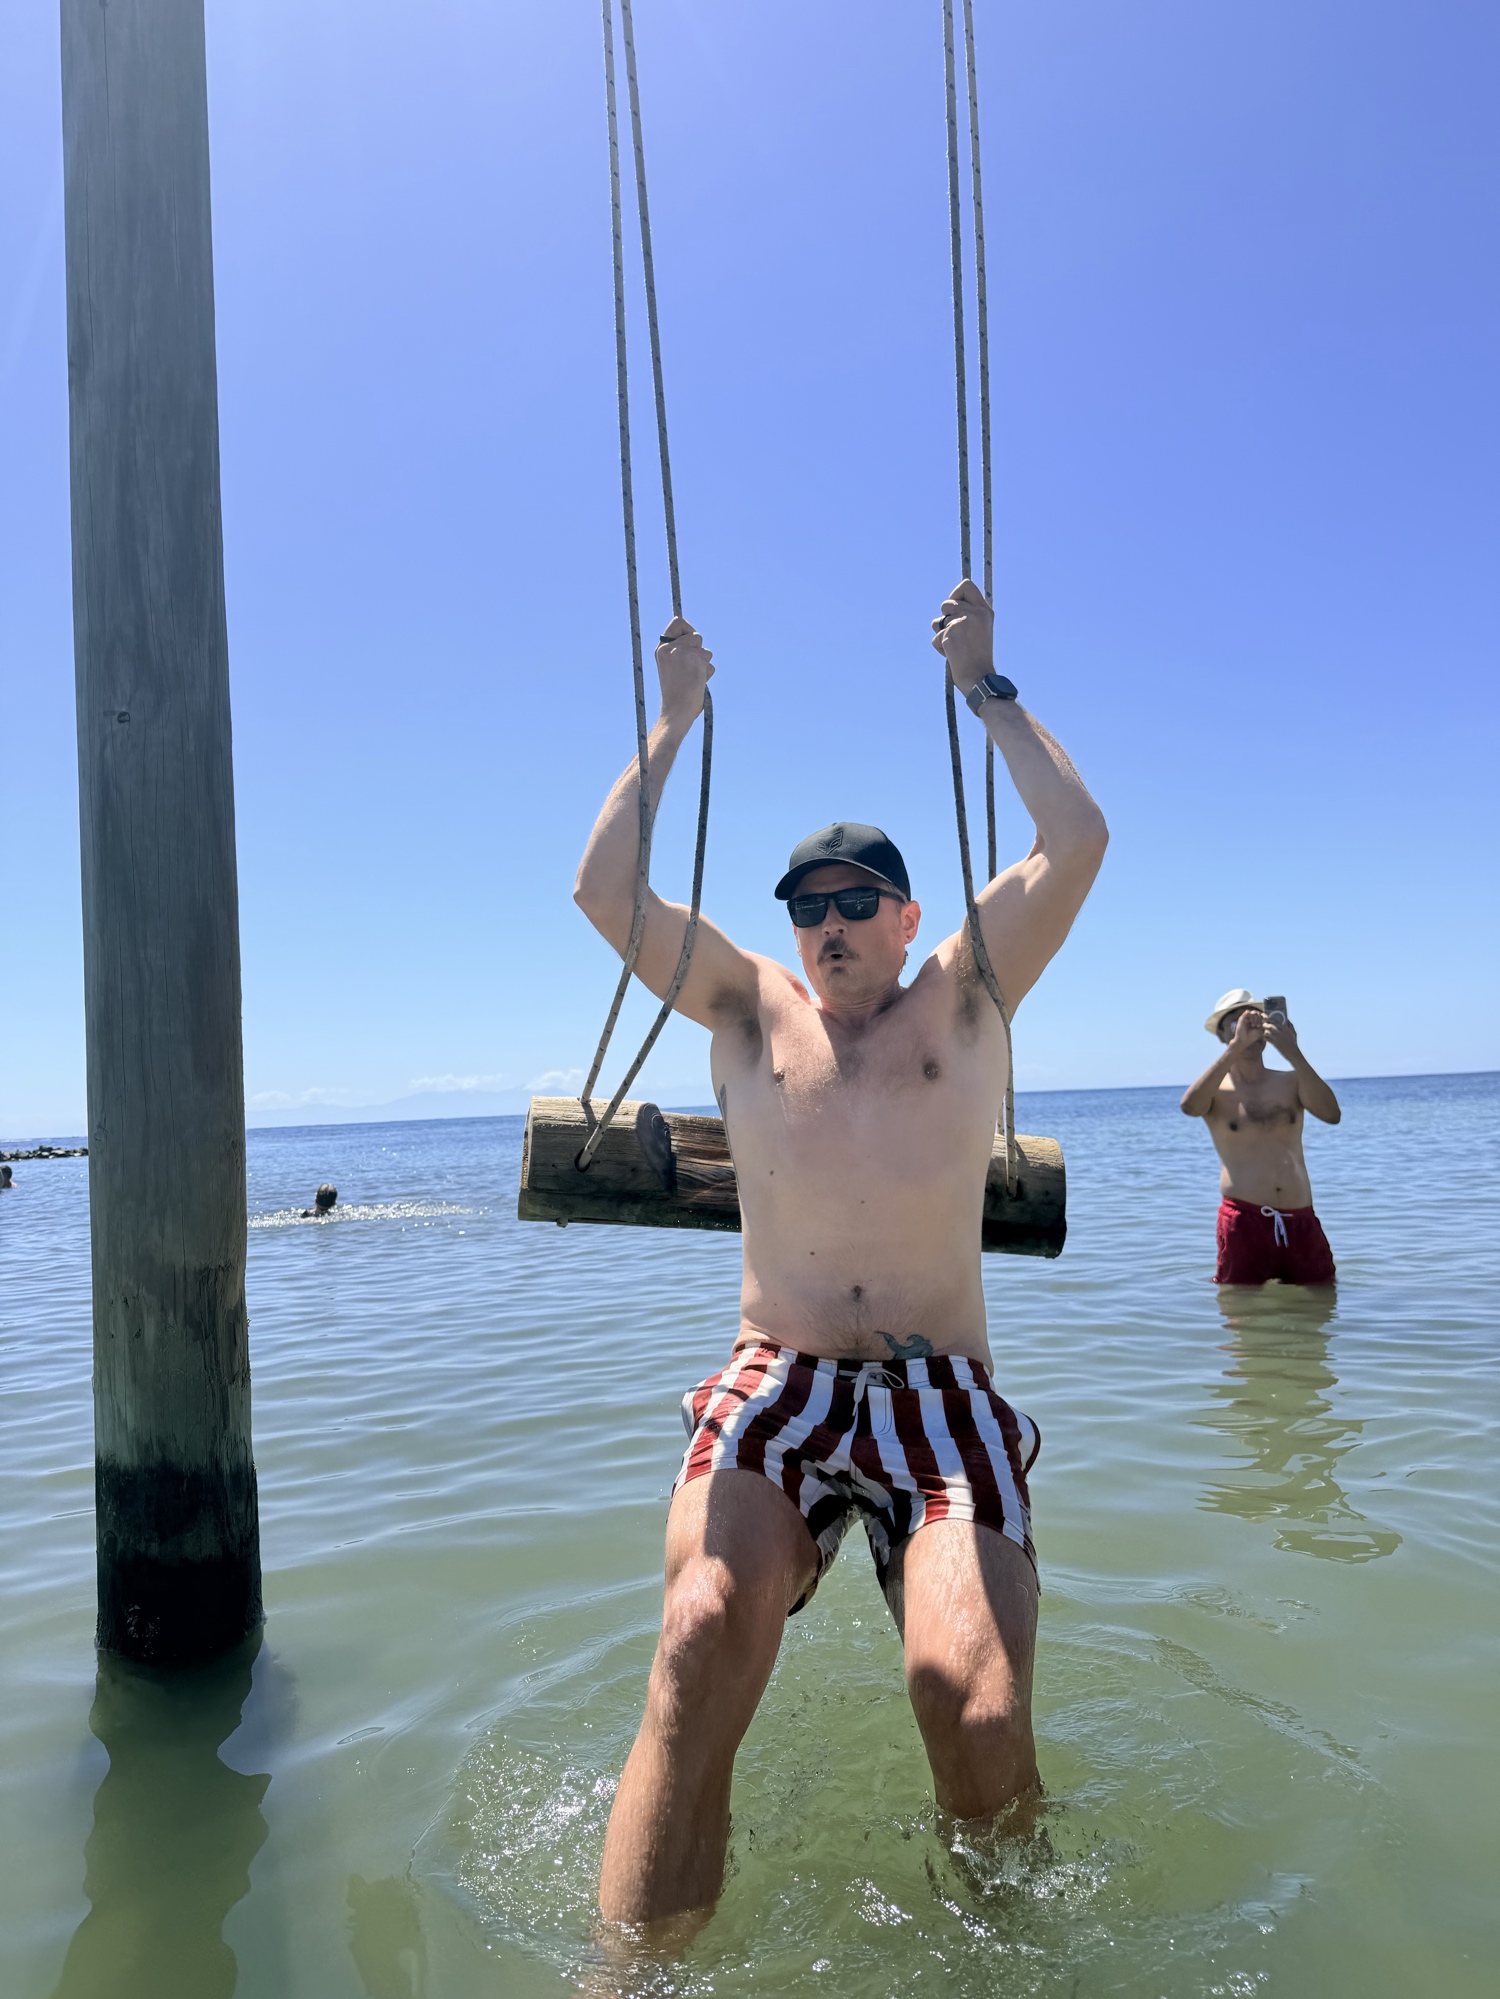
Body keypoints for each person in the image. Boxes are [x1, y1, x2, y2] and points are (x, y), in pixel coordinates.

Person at [573, 578, 1108, 1935]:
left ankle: (1014, 1952)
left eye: (858, 899)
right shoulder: (751, 1007)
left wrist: (986, 686)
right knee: (699, 1631)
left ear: (907, 916)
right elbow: (604, 891)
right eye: (810, 903)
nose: (830, 921)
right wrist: (673, 720)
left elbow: (1077, 839)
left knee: (971, 1701)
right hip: (780, 1375)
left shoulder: (968, 994)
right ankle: (629, 1973)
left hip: (940, 1394)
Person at [1180, 990, 1341, 1286]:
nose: (1251, 1028)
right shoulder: (1216, 1091)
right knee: (1240, 1307)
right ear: (1221, 1035)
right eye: (1239, 1022)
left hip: (1300, 1218)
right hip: (1244, 1220)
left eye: (1257, 1020)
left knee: (1322, 1302)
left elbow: (1332, 1115)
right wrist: (1235, 1047)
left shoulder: (1292, 1082)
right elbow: (1190, 1107)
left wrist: (1292, 1051)